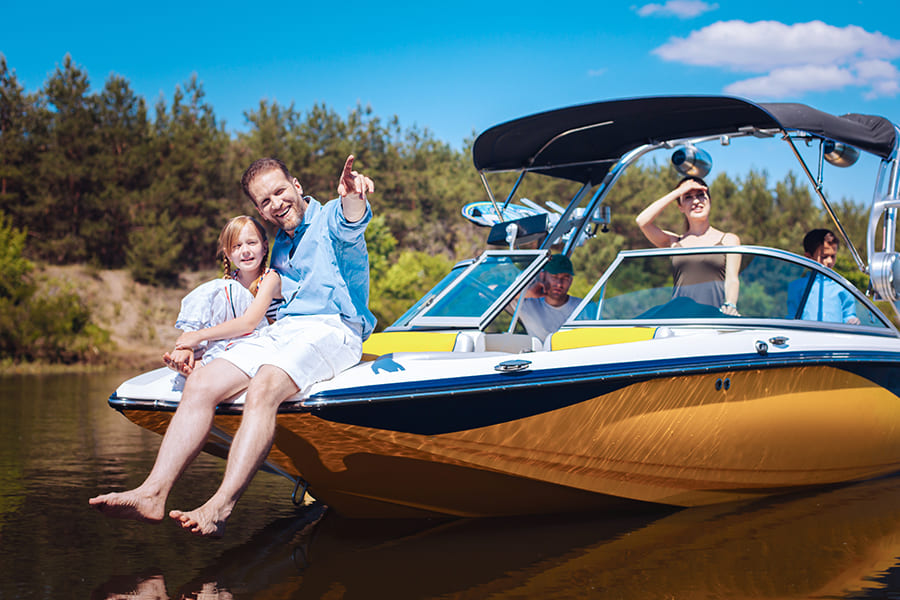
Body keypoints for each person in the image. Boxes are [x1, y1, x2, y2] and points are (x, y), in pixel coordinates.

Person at [90, 155, 375, 538]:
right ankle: (152, 493)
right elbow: (251, 309)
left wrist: (354, 198)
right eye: (264, 201)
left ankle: (220, 506)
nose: (275, 204)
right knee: (203, 384)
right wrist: (199, 345)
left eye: (280, 191)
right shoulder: (280, 244)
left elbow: (351, 222)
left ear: (297, 185)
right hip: (284, 332)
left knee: (265, 385)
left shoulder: (328, 221)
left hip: (333, 328)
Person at [163, 215, 283, 378]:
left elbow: (249, 323)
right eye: (237, 246)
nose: (245, 250)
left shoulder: (271, 278)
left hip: (262, 339)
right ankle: (188, 352)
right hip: (233, 340)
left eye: (252, 243)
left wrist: (198, 336)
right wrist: (188, 342)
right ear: (227, 253)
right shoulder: (227, 284)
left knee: (222, 288)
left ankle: (202, 360)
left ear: (264, 246)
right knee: (214, 292)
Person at [636, 176, 741, 315]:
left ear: (709, 201)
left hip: (713, 318)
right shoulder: (674, 242)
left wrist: (731, 305)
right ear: (680, 207)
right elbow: (642, 221)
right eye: (688, 197)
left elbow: (732, 279)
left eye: (700, 195)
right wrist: (678, 192)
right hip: (678, 320)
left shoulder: (728, 240)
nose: (696, 201)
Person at [787, 229, 860, 325]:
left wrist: (852, 321)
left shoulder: (843, 286)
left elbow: (848, 315)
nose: (829, 261)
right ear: (808, 257)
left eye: (833, 256)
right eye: (824, 256)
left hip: (835, 338)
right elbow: (792, 318)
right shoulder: (797, 287)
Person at [517, 254, 582, 341]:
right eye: (554, 277)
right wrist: (528, 293)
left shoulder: (584, 307)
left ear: (571, 281)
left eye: (565, 278)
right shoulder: (526, 304)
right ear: (542, 276)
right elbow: (493, 291)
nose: (559, 284)